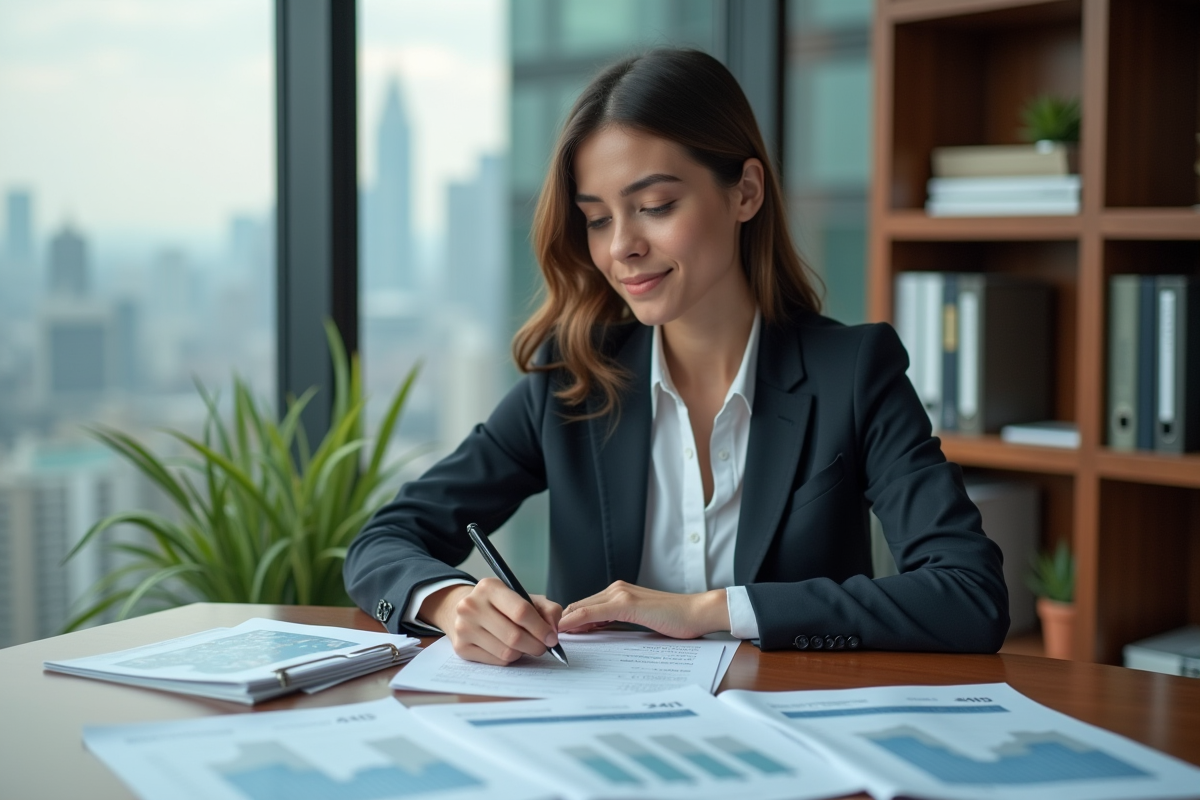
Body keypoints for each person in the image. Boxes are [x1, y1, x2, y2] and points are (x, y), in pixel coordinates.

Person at [344, 48, 1008, 666]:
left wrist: (707, 612)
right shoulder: (571, 382)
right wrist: (452, 601)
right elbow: (382, 544)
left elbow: (969, 597)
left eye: (655, 206)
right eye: (598, 218)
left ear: (745, 192)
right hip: (599, 753)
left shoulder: (853, 374)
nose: (621, 247)